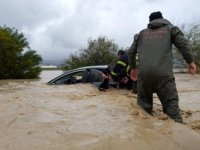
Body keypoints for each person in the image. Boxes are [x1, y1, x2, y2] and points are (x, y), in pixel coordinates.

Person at [128, 11, 196, 123]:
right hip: (164, 76)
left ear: (150, 22)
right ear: (162, 19)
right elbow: (182, 44)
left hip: (144, 76)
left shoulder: (141, 34)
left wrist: (133, 69)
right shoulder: (171, 29)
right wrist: (190, 61)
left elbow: (131, 52)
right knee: (172, 113)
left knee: (142, 114)